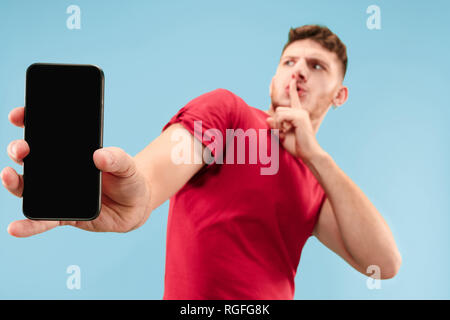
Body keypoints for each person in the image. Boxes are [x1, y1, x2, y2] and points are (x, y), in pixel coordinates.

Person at [1, 24, 401, 299]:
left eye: (316, 66)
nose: (298, 73)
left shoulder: (318, 180)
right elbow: (155, 176)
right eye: (289, 62)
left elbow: (383, 265)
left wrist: (316, 156)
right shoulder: (228, 113)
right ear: (273, 76)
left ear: (339, 95)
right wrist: (136, 198)